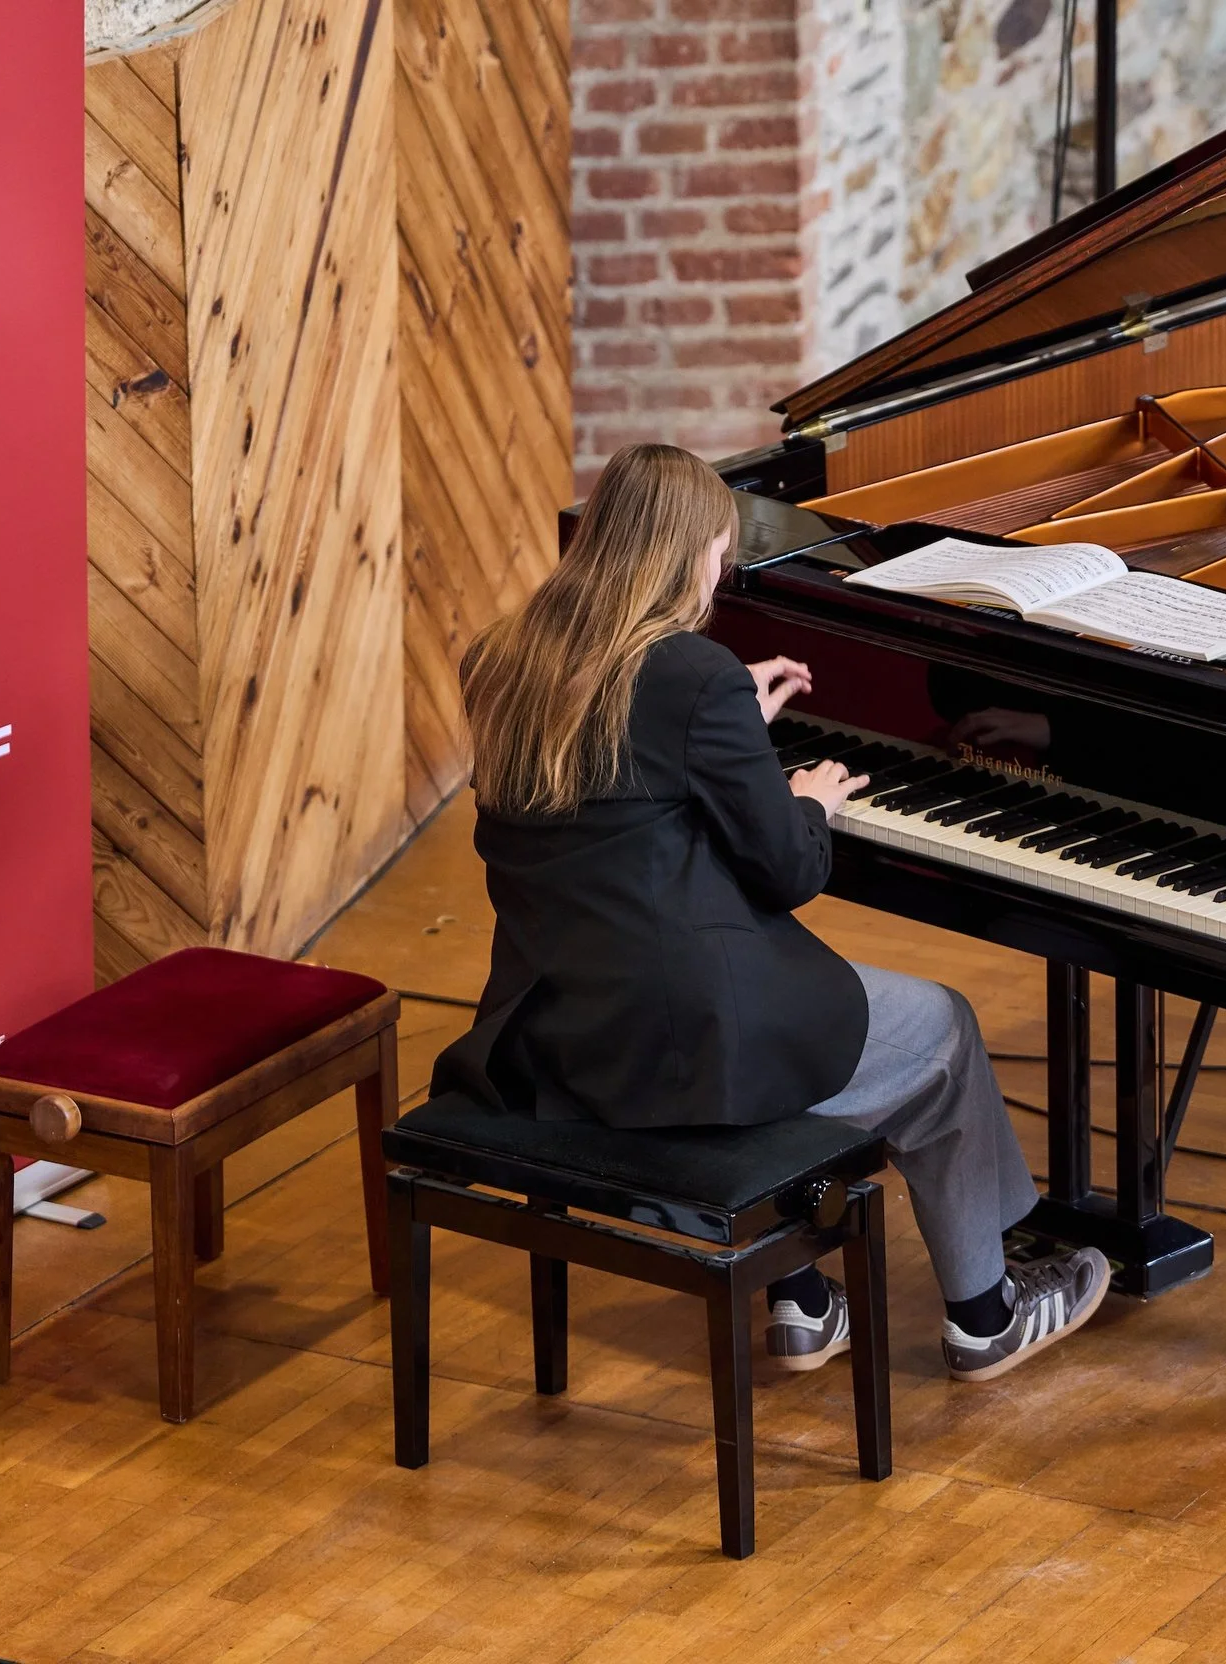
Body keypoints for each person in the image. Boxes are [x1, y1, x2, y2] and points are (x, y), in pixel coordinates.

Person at [430, 441, 1109, 1383]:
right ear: (686, 555)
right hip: (682, 1046)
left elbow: (620, 797)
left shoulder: (504, 661)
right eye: (719, 556)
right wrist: (811, 799)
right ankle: (986, 1316)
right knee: (941, 1030)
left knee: (803, 1013)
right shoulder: (692, 678)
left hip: (556, 1036)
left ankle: (802, 1300)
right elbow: (788, 869)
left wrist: (727, 727)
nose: (721, 577)